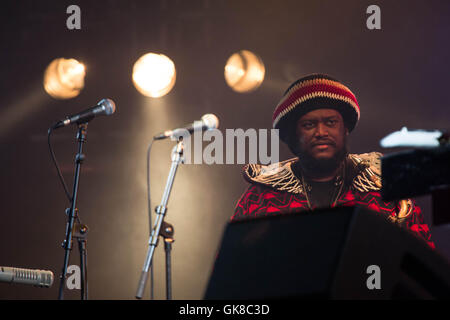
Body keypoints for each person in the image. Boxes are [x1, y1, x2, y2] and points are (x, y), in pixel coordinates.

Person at [232, 74, 435, 249]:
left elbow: (422, 271)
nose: (321, 132)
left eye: (330, 122)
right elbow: (232, 273)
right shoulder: (260, 197)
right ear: (293, 135)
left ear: (344, 129)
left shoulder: (388, 188)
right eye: (309, 124)